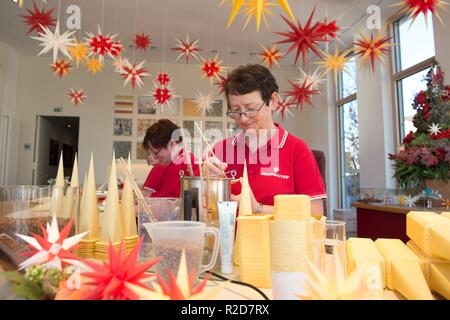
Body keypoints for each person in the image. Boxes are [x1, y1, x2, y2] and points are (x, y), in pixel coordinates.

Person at [207, 64, 327, 216]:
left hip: (277, 239)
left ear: (273, 101)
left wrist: (258, 208)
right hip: (229, 239)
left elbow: (315, 214)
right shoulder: (220, 150)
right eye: (236, 110)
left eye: (251, 108)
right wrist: (205, 184)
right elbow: (205, 212)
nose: (243, 118)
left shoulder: (297, 150)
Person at [142, 119, 198, 197]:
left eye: (155, 153)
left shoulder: (179, 164)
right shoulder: (183, 158)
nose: (155, 157)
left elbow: (169, 203)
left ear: (172, 143)